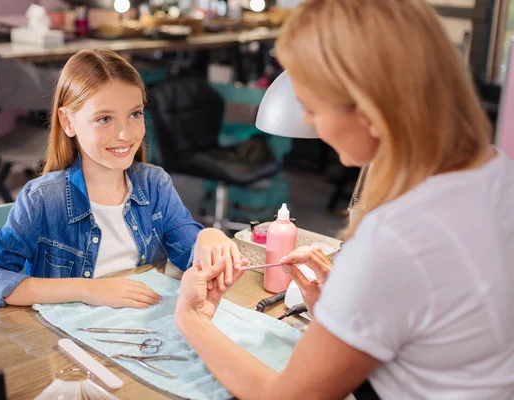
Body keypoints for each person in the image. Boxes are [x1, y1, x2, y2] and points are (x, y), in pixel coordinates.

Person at [174, 0, 514, 398]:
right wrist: (343, 308)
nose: (309, 122)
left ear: (369, 110)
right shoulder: (496, 170)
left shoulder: (397, 238)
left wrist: (191, 318)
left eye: (312, 107)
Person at [0, 49, 244, 311]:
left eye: (135, 114)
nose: (124, 134)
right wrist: (90, 290)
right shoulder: (43, 199)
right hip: (64, 345)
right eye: (104, 119)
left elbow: (189, 251)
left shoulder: (155, 184)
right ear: (68, 122)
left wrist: (209, 236)